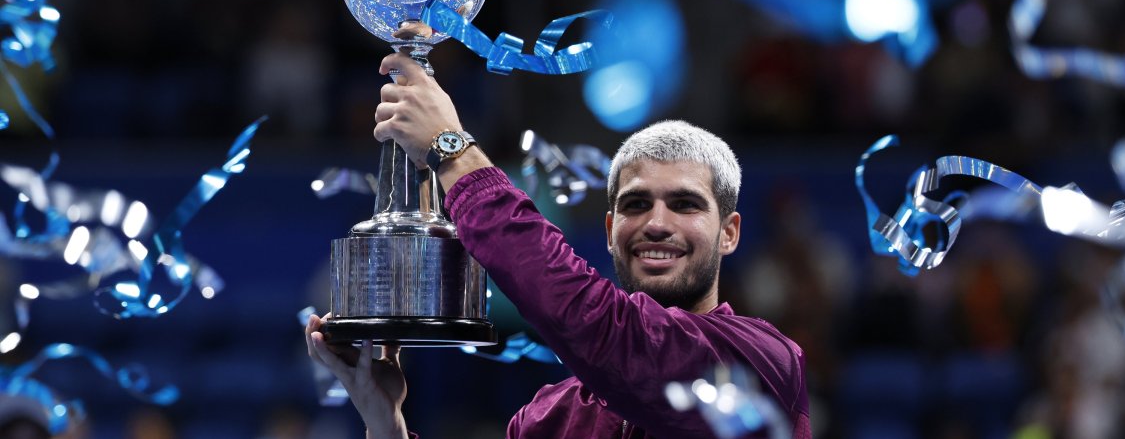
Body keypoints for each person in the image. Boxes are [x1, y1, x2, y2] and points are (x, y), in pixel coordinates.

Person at [305, 51, 812, 438]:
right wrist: (385, 423)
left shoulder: (761, 363)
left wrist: (452, 150)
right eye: (636, 206)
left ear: (730, 232)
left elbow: (601, 327)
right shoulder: (549, 418)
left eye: (685, 204)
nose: (657, 223)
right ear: (610, 228)